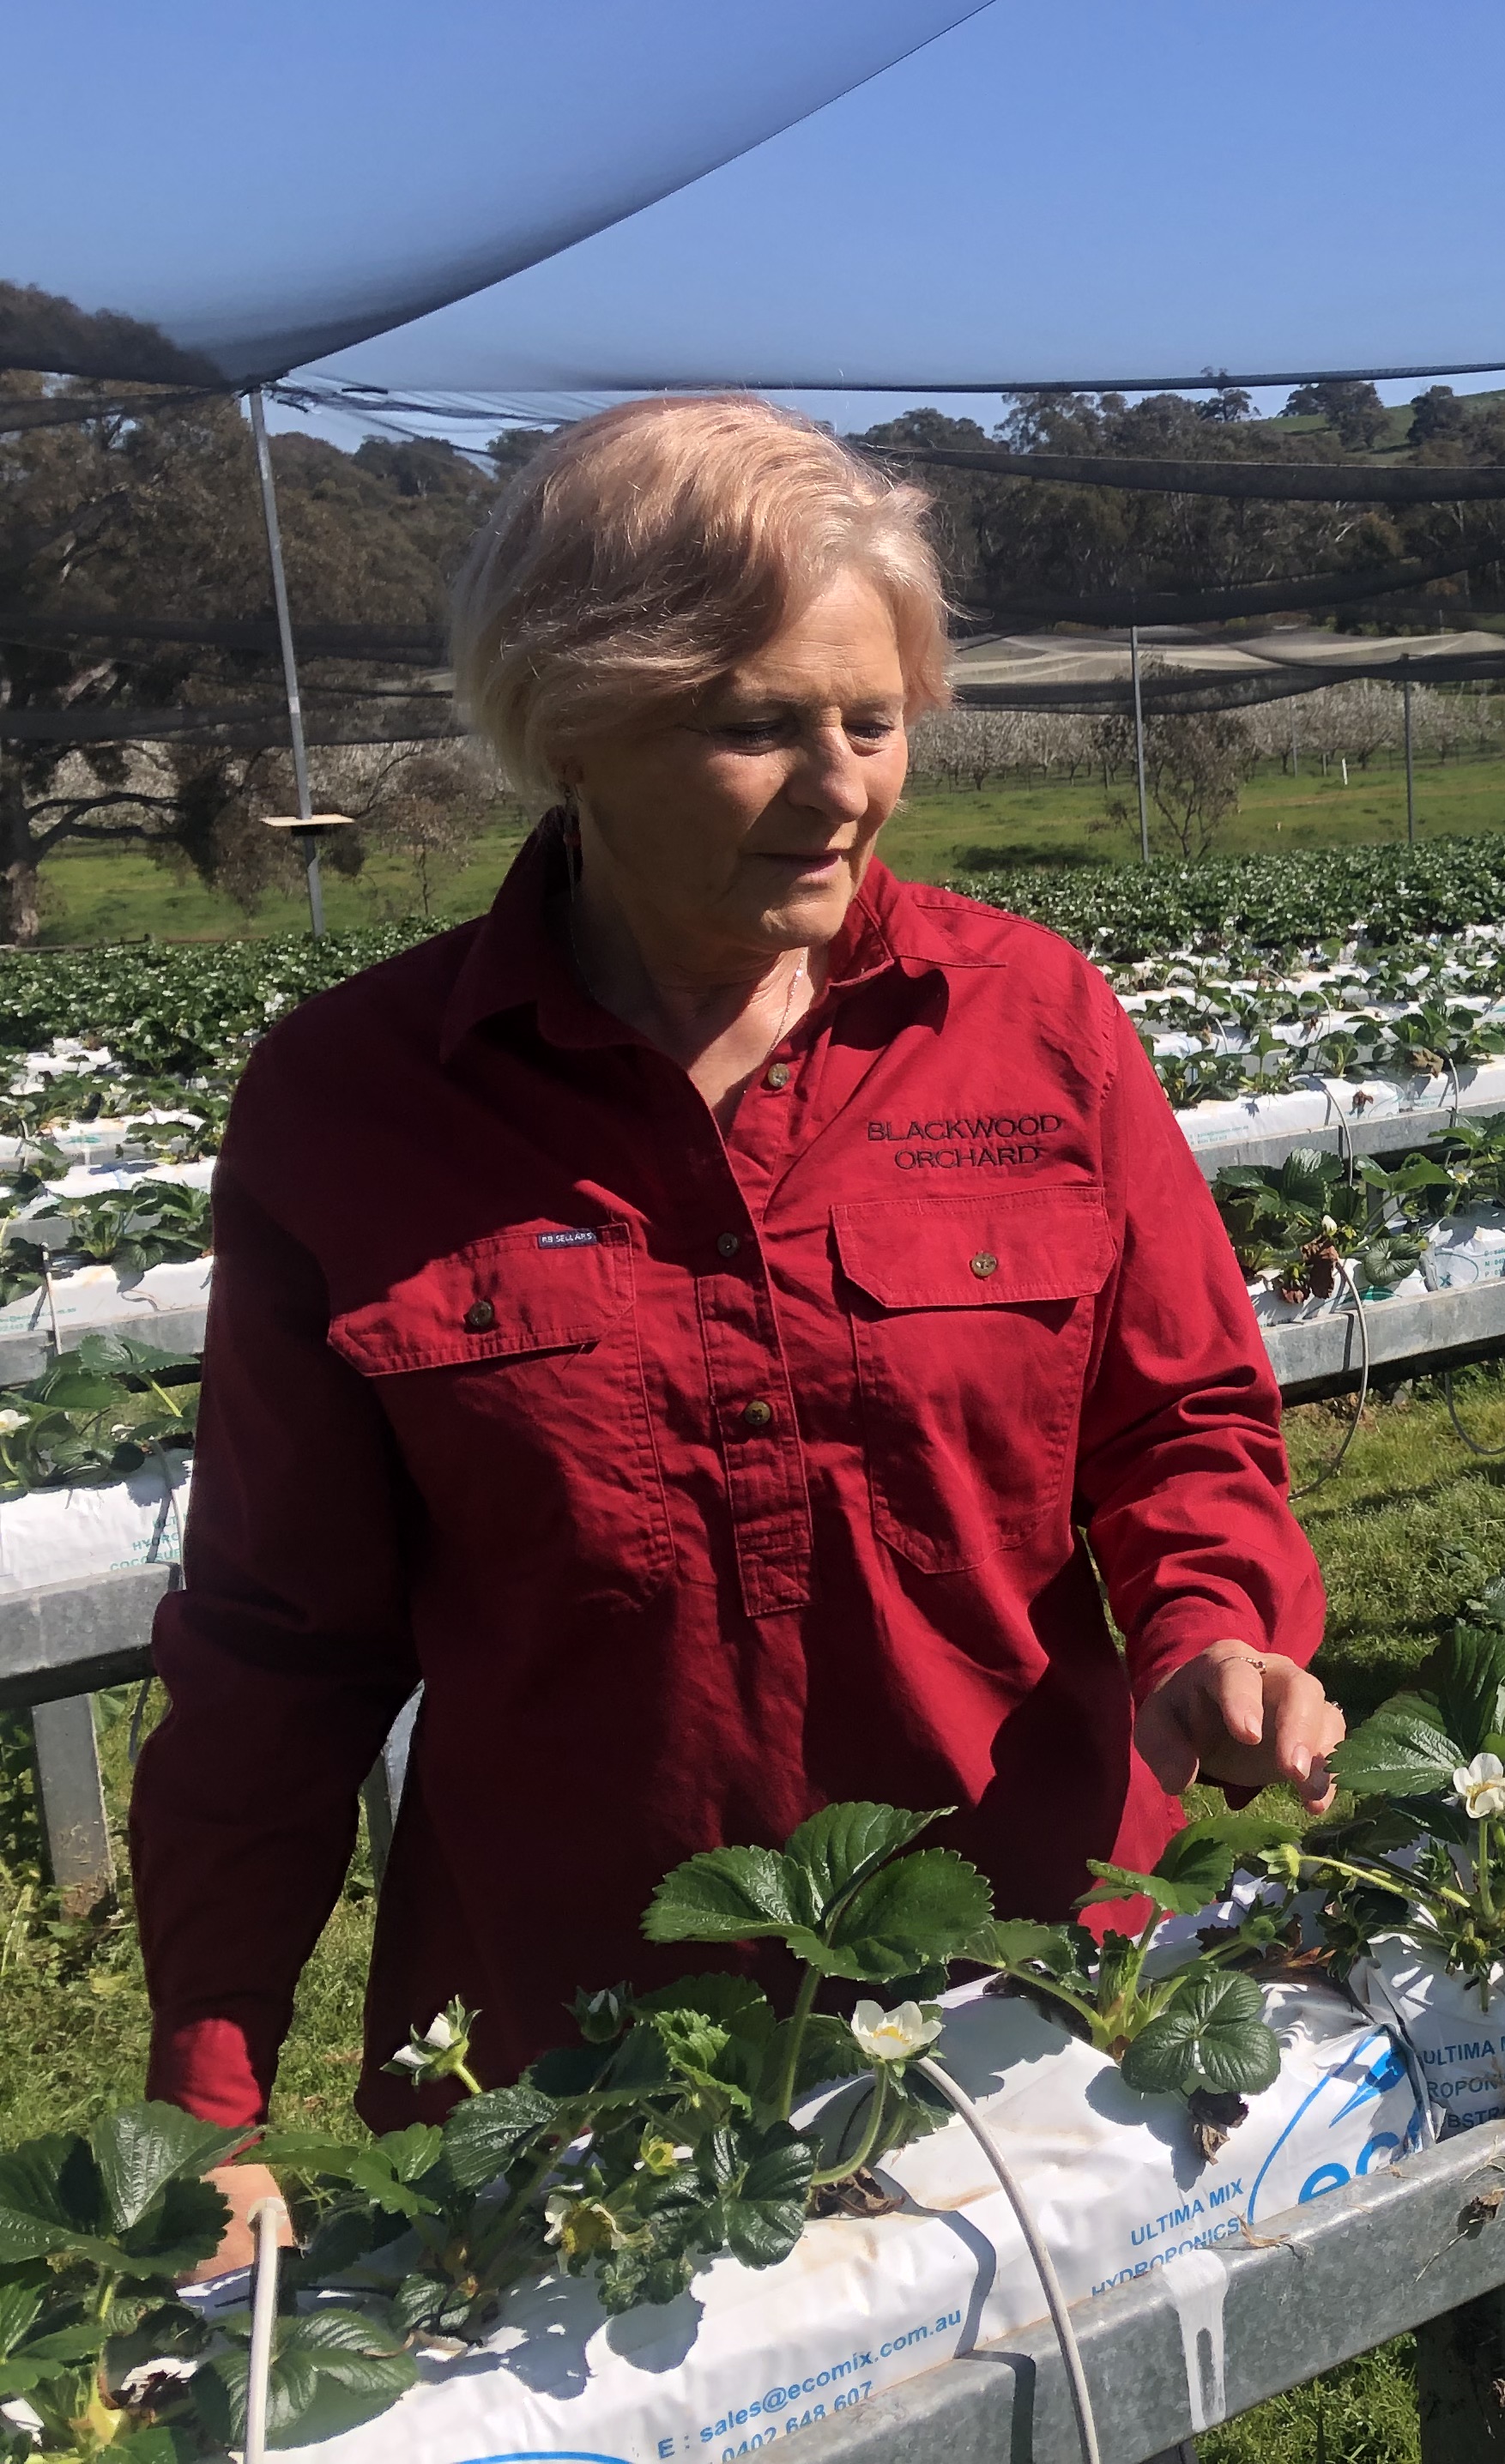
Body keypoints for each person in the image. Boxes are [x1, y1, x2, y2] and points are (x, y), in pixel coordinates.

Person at [134, 397, 1342, 2258]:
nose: (843, 785)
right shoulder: (354, 1106)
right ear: (572, 727)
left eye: (873, 721)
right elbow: (277, 1640)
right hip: (594, 2026)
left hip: (1029, 1968)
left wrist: (1211, 1624)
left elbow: (1179, 1422)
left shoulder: (1034, 1024)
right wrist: (205, 2099)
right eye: (756, 726)